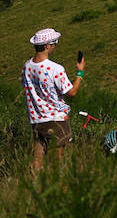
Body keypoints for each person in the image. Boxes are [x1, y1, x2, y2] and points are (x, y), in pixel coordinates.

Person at [22, 27, 84, 175]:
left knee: (37, 159)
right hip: (55, 119)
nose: (56, 46)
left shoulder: (27, 66)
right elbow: (72, 92)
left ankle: (34, 185)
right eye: (55, 43)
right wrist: (80, 72)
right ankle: (56, 190)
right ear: (47, 46)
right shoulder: (55, 69)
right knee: (57, 162)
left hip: (36, 119)